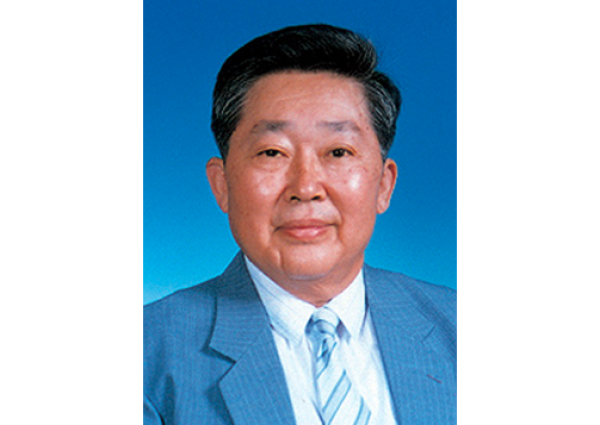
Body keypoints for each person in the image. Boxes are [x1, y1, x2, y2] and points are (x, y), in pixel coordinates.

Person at [144, 24, 456, 425]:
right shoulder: (146, 355)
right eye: (272, 152)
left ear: (384, 184)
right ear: (221, 185)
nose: (305, 188)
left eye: (338, 152)